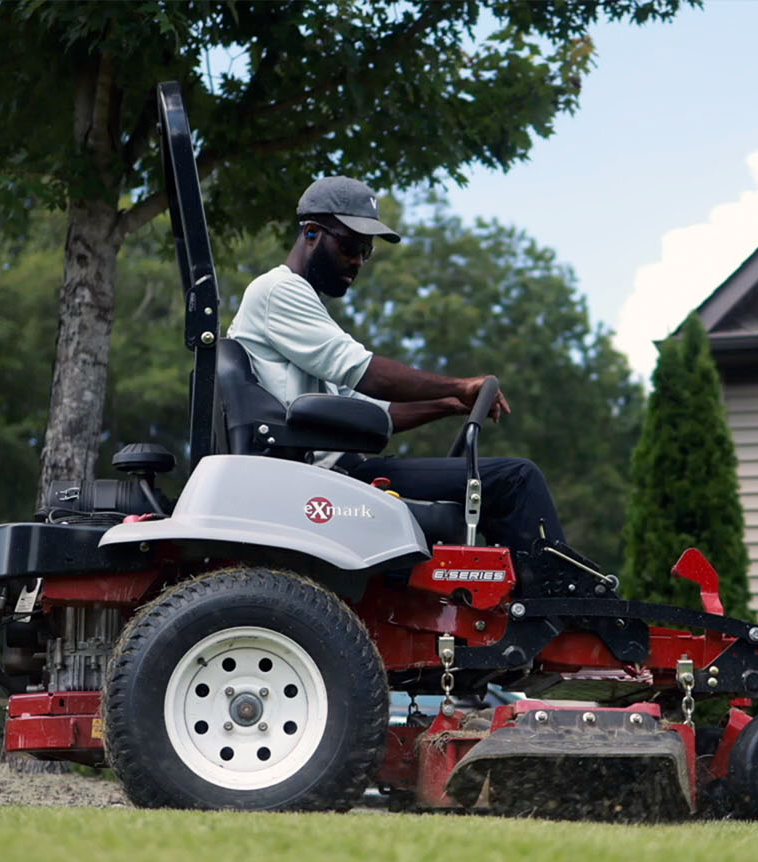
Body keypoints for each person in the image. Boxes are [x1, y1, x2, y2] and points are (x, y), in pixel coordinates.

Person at [227, 176, 608, 595]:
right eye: (350, 246)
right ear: (312, 233)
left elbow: (378, 413)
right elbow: (367, 372)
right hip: (323, 477)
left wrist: (449, 402)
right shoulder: (279, 290)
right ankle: (562, 608)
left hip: (334, 470)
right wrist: (462, 384)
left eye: (365, 252)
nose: (357, 261)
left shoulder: (301, 306)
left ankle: (518, 606)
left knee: (501, 480)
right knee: (516, 479)